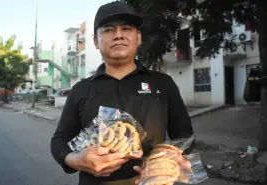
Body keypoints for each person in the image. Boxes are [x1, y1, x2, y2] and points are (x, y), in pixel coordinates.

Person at [50, 1, 194, 185]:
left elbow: (185, 136)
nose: (118, 35)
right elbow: (59, 141)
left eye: (126, 28)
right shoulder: (81, 89)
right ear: (96, 41)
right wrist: (77, 160)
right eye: (108, 30)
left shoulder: (163, 83)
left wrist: (172, 159)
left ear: (138, 37)